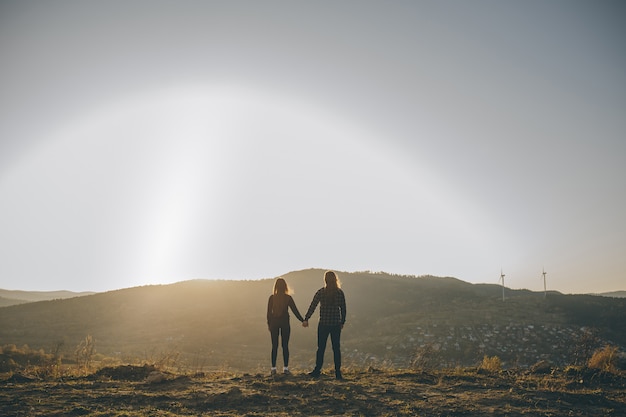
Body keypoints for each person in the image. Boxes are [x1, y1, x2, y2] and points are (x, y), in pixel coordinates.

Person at [302, 270, 347, 380]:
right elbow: (344, 309)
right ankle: (338, 373)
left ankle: (317, 371)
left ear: (325, 280)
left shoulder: (321, 292)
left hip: (323, 324)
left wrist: (306, 318)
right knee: (336, 348)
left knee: (321, 348)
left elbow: (313, 306)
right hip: (336, 324)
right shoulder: (339, 293)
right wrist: (342, 322)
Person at [267, 277, 305, 375]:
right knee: (285, 346)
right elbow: (295, 311)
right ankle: (285, 368)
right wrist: (303, 320)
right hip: (285, 323)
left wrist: (269, 324)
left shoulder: (272, 298)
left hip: (274, 324)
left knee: (274, 346)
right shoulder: (288, 298)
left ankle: (273, 368)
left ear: (275, 287)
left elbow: (268, 313)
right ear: (285, 287)